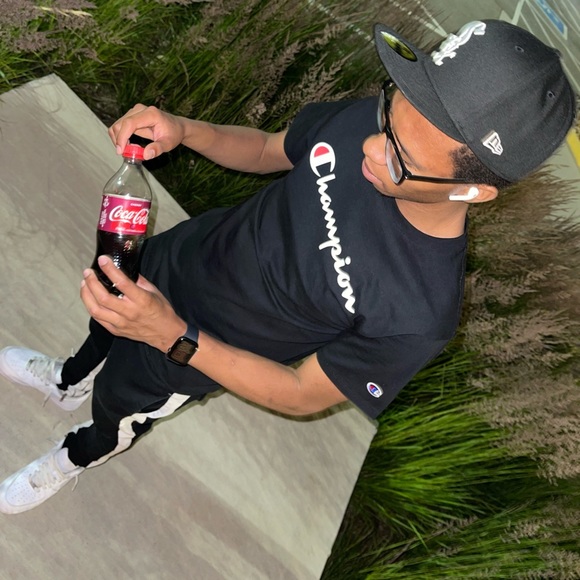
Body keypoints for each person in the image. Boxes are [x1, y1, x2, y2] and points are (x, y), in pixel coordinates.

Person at [0, 19, 574, 514]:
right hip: (181, 253)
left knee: (120, 409)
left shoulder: (420, 312)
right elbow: (265, 150)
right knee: (102, 323)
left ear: (472, 191)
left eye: (399, 156)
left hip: (192, 348)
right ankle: (67, 379)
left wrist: (171, 335)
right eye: (388, 116)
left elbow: (300, 393)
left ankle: (73, 456)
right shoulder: (376, 126)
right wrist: (185, 129)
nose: (370, 146)